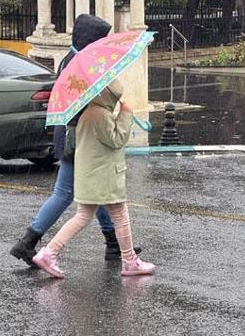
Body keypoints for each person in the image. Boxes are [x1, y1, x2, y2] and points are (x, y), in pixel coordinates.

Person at [9, 14, 140, 265]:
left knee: (97, 191)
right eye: (100, 38)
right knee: (65, 194)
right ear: (91, 39)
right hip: (78, 141)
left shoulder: (75, 59)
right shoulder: (80, 67)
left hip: (75, 137)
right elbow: (84, 107)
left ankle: (113, 243)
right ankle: (28, 241)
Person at [32, 81, 155, 278]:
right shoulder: (100, 115)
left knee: (83, 216)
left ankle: (49, 253)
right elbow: (116, 140)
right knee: (119, 215)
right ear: (109, 97)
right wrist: (125, 114)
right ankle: (130, 261)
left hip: (91, 175)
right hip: (103, 176)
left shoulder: (90, 112)